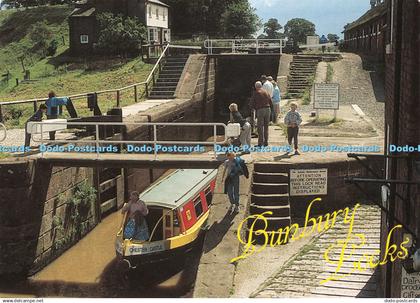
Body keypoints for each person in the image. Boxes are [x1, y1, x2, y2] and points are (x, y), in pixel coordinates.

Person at [250, 81, 272, 147]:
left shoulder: (256, 93)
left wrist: (252, 108)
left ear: (256, 87)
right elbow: (270, 101)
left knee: (260, 127)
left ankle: (260, 143)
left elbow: (252, 102)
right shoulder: (266, 92)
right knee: (266, 127)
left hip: (260, 110)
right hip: (268, 109)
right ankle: (266, 142)